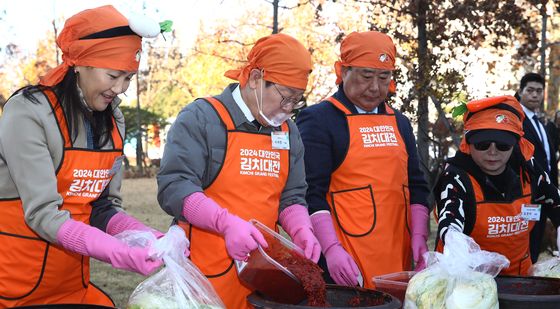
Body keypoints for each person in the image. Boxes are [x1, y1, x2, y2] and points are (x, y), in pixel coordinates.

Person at [0, 5, 173, 307]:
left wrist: (146, 235)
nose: (120, 90)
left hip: (71, 283)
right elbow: (43, 213)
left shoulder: (112, 119)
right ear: (80, 63)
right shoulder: (28, 112)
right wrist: (115, 251)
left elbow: (102, 207)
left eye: (128, 79)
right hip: (13, 287)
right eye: (113, 76)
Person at [157, 33, 321, 309]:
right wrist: (225, 223)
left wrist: (302, 228)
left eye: (296, 100)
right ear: (255, 79)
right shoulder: (202, 118)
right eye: (284, 97)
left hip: (263, 278)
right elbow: (175, 187)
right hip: (204, 277)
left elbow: (291, 195)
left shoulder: (288, 131)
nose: (288, 108)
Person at [296, 31, 430, 288]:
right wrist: (331, 248)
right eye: (366, 76)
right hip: (345, 264)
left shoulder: (400, 123)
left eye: (384, 77)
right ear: (344, 71)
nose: (375, 88)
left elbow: (417, 185)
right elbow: (310, 192)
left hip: (397, 261)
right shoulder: (319, 119)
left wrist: (421, 236)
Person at [434, 96, 560, 275]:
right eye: (483, 144)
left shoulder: (528, 168)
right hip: (469, 280)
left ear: (514, 145)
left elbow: (554, 201)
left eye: (503, 145)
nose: (492, 152)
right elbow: (450, 219)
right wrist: (453, 240)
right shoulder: (456, 175)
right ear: (469, 144)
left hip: (519, 279)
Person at [515, 73, 559, 263]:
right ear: (520, 92)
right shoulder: (517, 120)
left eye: (539, 91)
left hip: (546, 194)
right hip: (526, 195)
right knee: (525, 244)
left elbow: (548, 159)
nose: (535, 95)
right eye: (530, 90)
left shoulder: (541, 123)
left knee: (537, 242)